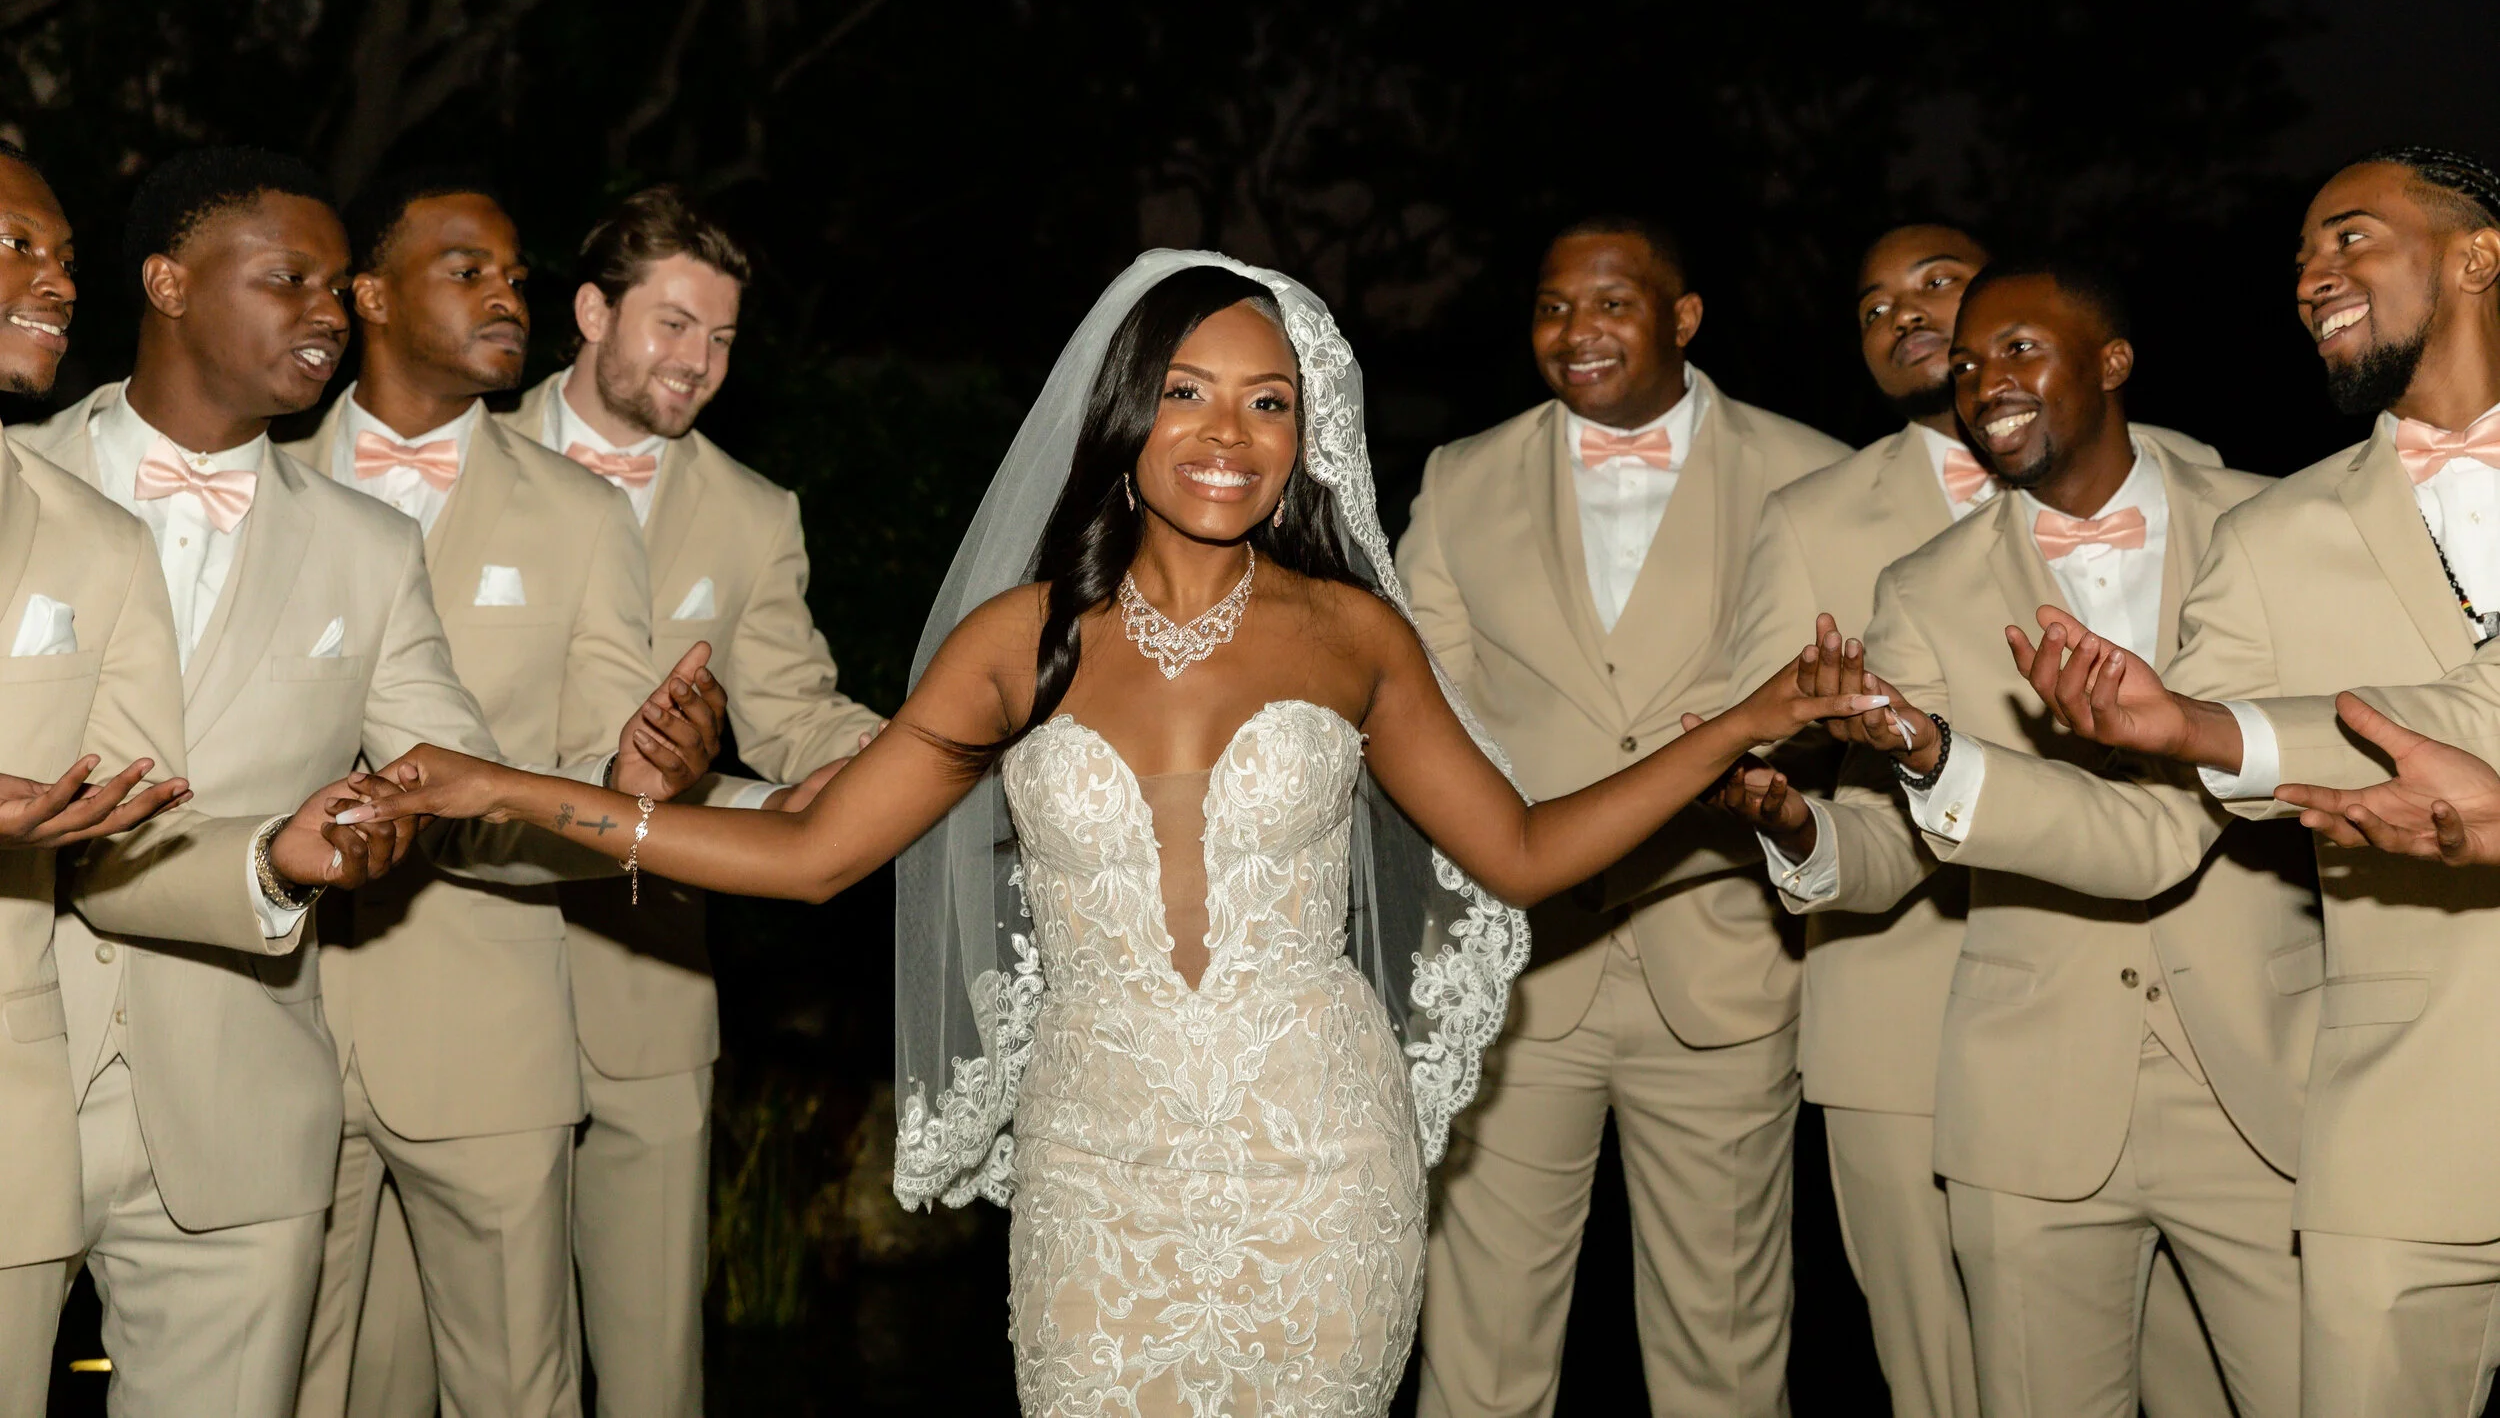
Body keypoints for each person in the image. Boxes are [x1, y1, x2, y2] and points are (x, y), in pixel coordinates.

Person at [334, 250, 1889, 1417]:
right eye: (1192, 391)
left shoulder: (1352, 632)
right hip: (1100, 1161)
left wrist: (1740, 721)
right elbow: (810, 857)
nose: (1231, 432)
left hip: (1320, 1156)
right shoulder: (1021, 639)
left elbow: (1528, 850)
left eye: (1270, 400)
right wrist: (506, 787)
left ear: (1307, 432)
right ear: (1130, 410)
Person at [1723, 260, 2317, 1416]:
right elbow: (1894, 843)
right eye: (1965, 365)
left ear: (2112, 360)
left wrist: (1945, 756)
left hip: (2263, 1082)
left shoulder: (2272, 522)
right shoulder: (1924, 585)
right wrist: (1799, 825)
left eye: (2016, 350)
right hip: (2029, 1101)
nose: (1982, 380)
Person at [1964, 149, 2500, 1413]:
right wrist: (2183, 730)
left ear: (2478, 254)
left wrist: (2217, 726)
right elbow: (2169, 808)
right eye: (2301, 257)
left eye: (2349, 236)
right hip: (2407, 1128)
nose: (2313, 275)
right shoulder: (2268, 538)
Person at [285, 171, 745, 1418]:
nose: (506, 297)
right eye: (467, 270)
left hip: (486, 1033)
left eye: (515, 277)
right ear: (370, 294)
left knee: (517, 1392)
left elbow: (599, 765)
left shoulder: (583, 514)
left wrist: (642, 775)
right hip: (277, 1028)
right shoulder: (263, 482)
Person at [1402, 216, 1847, 1416]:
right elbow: (1423, 707)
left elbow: (1853, 700)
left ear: (1682, 317)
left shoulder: (1813, 470)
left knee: (1726, 1349)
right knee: (1479, 1348)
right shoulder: (1458, 476)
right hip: (1513, 967)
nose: (1575, 331)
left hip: (1723, 961)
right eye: (1552, 307)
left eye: (1609, 303)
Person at [0, 141, 389, 1415]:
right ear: (169, 283)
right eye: (17, 246)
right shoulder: (57, 475)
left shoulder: (89, 534)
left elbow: (130, 821)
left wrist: (279, 857)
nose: (57, 280)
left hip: (226, 1104)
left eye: (62, 255)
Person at [507, 185, 879, 1417]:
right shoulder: (462, 455)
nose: (699, 363)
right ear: (590, 312)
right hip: (452, 950)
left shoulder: (750, 511)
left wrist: (912, 753)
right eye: (673, 324)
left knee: (654, 1365)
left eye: (720, 338)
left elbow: (796, 706)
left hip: (649, 964)